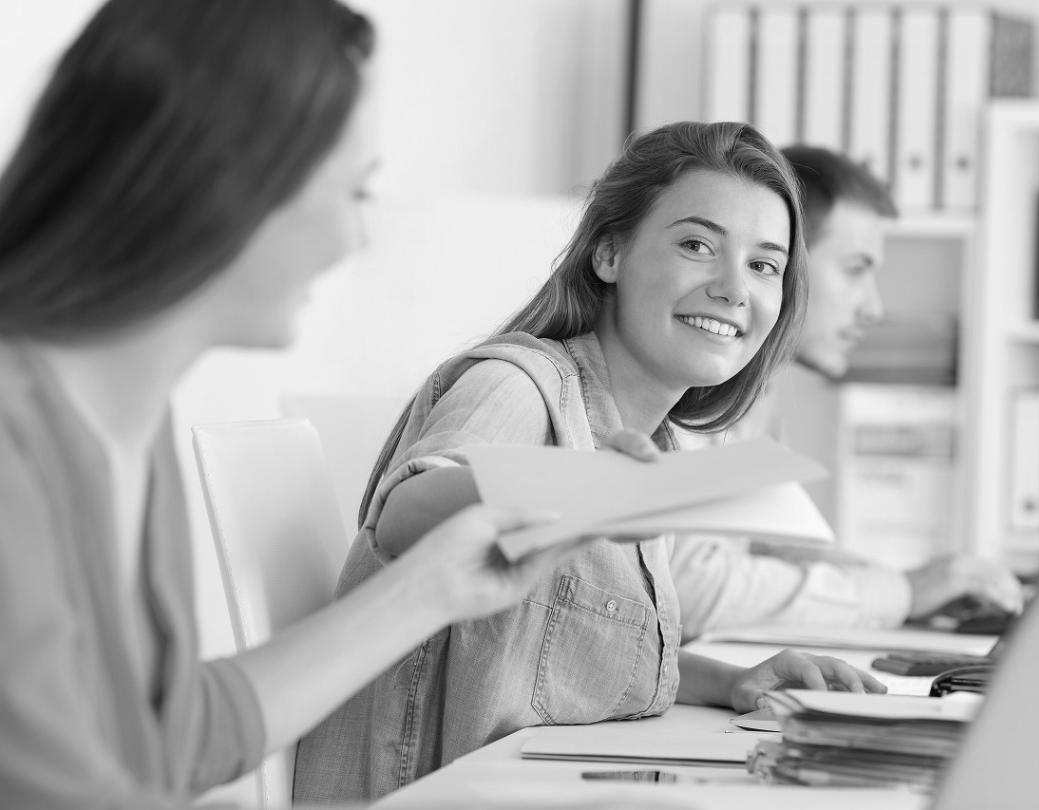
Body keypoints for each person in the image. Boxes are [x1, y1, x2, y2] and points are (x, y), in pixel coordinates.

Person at [0, 2, 619, 807]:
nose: (353, 240)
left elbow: (167, 737)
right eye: (354, 191)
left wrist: (437, 586)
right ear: (222, 178)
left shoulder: (126, 425)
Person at [294, 121, 887, 803]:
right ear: (609, 253)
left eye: (764, 265)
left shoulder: (644, 442)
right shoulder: (519, 385)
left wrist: (733, 681)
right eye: (698, 245)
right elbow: (404, 516)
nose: (734, 289)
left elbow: (577, 647)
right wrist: (581, 493)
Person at [670, 145, 1024, 641]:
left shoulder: (758, 393)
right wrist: (899, 594)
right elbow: (686, 586)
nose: (874, 308)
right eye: (856, 270)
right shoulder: (690, 382)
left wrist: (917, 588)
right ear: (781, 263)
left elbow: (782, 543)